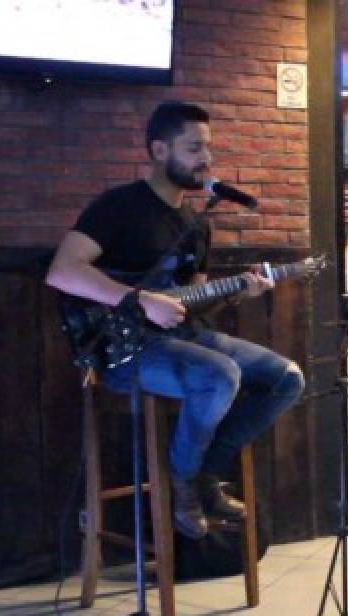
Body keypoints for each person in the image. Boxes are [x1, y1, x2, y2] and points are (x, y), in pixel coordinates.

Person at [45, 101, 306, 539]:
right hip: (121, 349)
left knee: (287, 379)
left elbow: (191, 303)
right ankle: (181, 483)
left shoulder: (196, 224)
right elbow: (63, 271)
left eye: (208, 148)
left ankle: (203, 472)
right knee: (220, 375)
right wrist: (138, 298)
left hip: (178, 338)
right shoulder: (119, 206)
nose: (206, 158)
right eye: (194, 148)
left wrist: (241, 291)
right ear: (160, 150)